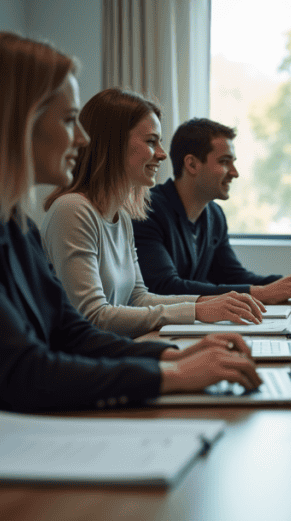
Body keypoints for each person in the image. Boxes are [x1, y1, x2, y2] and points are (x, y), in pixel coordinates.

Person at [0, 32, 261, 451]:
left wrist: (171, 357)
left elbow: (70, 331)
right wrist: (171, 377)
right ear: (19, 120)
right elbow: (23, 371)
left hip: (4, 438)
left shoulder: (12, 221)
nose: (83, 139)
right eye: (69, 121)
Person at [42, 89, 265, 338]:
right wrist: (197, 311)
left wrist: (204, 306)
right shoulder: (72, 210)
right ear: (113, 143)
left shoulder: (122, 217)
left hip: (118, 352)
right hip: (89, 365)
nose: (162, 153)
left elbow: (138, 297)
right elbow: (93, 316)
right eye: (151, 141)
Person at [132, 118, 291, 303]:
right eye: (224, 162)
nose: (234, 172)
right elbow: (165, 288)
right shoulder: (147, 210)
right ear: (191, 164)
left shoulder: (214, 215)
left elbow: (233, 276)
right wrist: (261, 293)